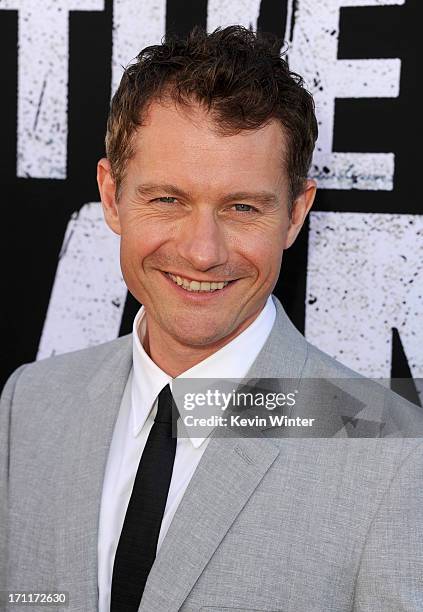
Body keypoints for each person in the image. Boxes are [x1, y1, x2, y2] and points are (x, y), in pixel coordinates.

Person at [1, 25, 422, 612]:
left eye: (242, 207)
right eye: (167, 199)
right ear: (112, 194)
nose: (203, 252)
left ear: (296, 213)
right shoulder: (29, 403)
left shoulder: (396, 456)